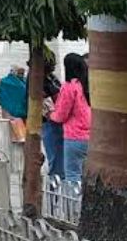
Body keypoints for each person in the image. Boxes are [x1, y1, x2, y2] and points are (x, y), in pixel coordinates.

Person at [49, 52, 91, 183]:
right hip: (92, 136)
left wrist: (50, 114)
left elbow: (61, 114)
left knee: (73, 175)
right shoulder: (88, 85)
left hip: (74, 136)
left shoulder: (69, 87)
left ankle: (75, 204)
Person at [40, 51, 65, 178]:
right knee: (55, 161)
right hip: (50, 122)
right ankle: (53, 194)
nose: (53, 65)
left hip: (59, 120)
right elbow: (45, 104)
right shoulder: (39, 80)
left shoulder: (52, 78)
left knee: (60, 160)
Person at [0, 65, 29, 141]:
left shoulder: (24, 81)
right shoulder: (6, 82)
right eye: (20, 73)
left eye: (23, 73)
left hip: (24, 114)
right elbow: (4, 98)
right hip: (10, 114)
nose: (22, 75)